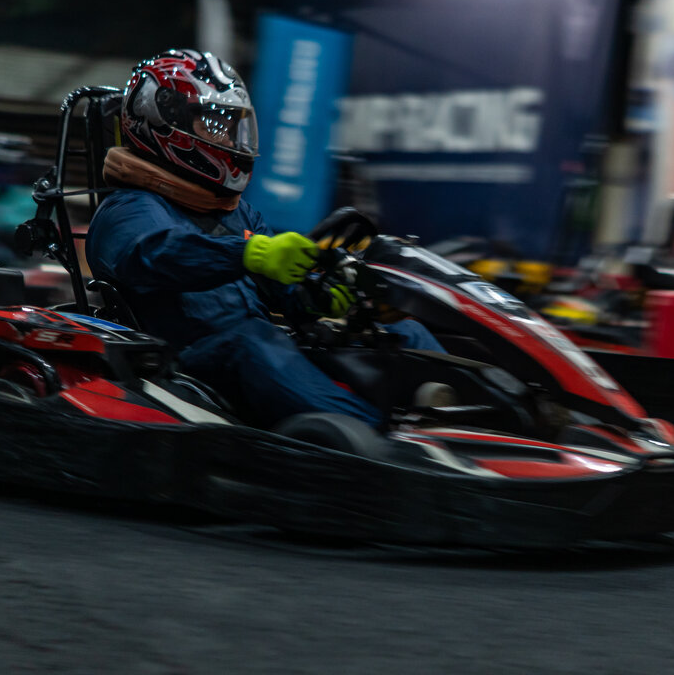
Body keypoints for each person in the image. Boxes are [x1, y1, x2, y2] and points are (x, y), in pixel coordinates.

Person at [85, 49, 443, 429]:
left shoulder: (236, 213)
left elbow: (285, 292)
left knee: (403, 332)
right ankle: (381, 442)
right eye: (213, 124)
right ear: (165, 123)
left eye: (230, 126)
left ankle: (465, 426)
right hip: (184, 368)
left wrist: (320, 293)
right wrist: (249, 253)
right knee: (254, 341)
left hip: (261, 353)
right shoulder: (128, 210)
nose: (227, 137)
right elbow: (158, 255)